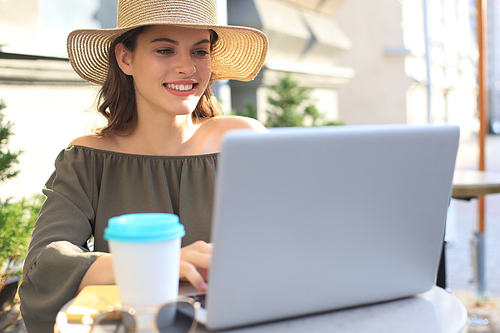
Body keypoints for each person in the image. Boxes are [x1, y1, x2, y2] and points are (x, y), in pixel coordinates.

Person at [18, 0, 268, 331]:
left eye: (200, 51)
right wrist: (158, 265)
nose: (187, 68)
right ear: (126, 57)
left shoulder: (243, 140)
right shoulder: (87, 159)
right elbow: (43, 267)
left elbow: (292, 242)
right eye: (165, 50)